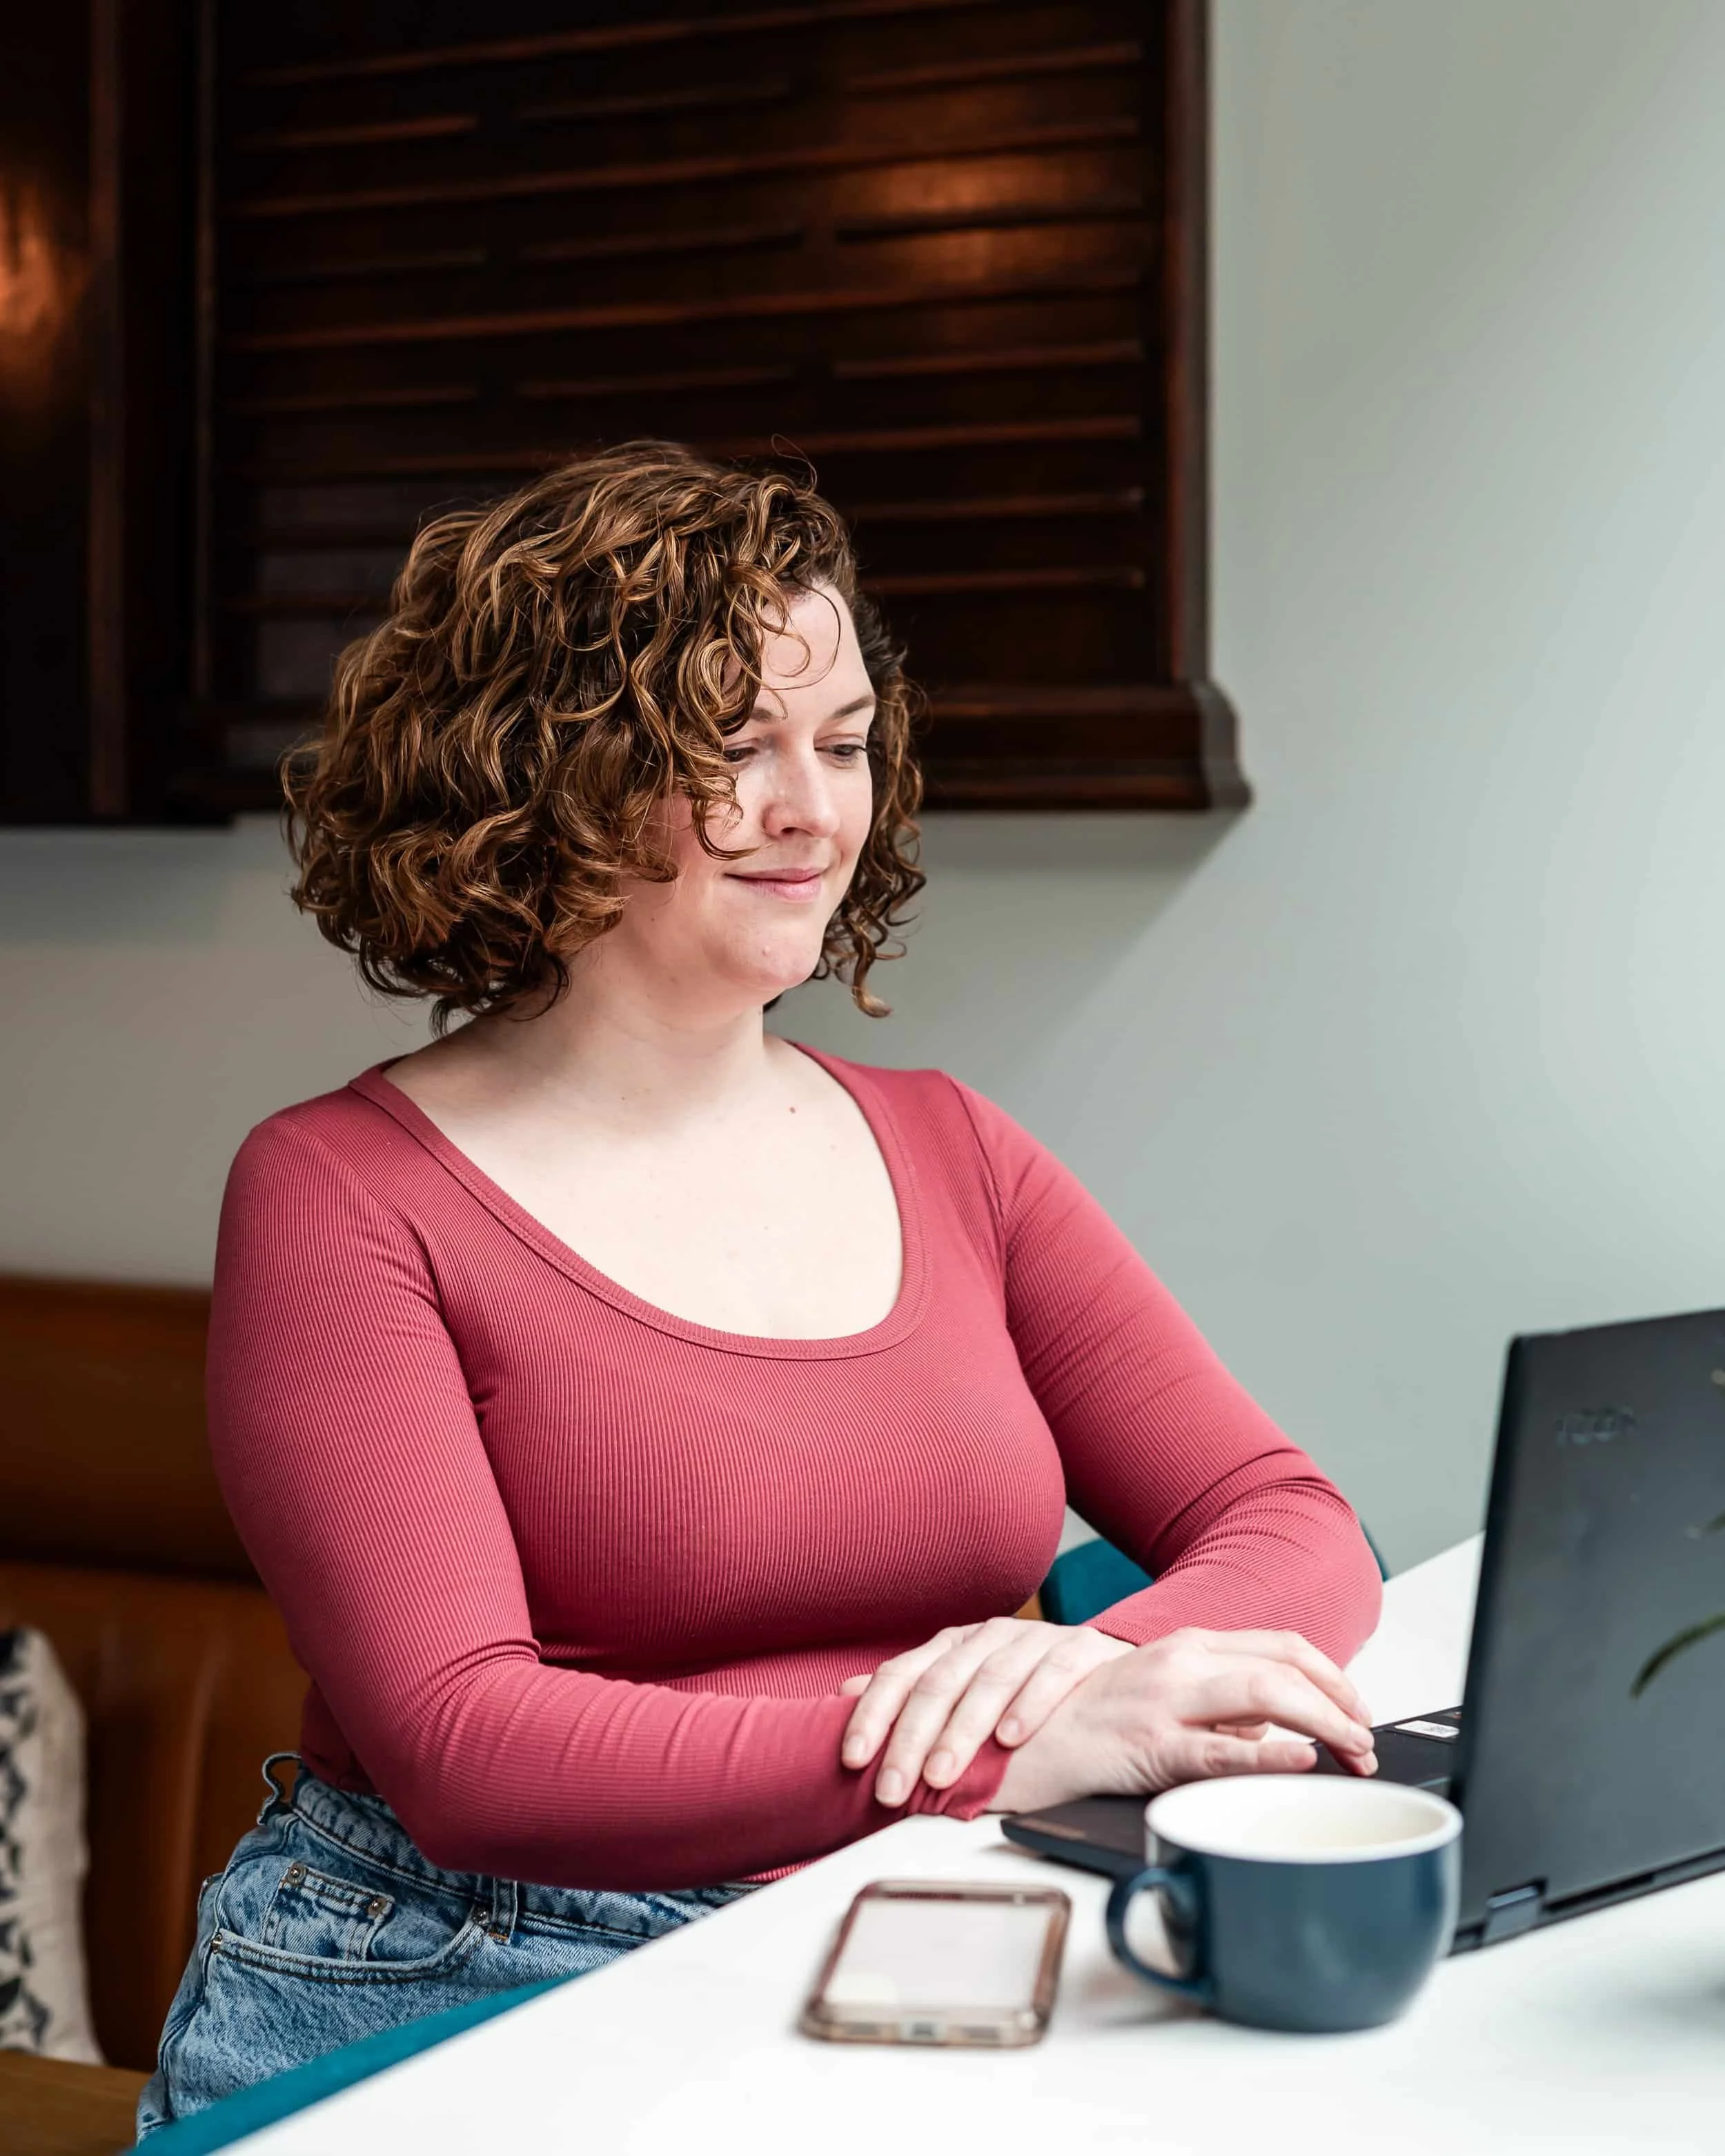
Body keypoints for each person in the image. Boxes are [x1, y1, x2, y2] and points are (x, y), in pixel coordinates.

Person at [138, 442, 1381, 2135]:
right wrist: (1005, 1744)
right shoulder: (340, 1192)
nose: (816, 808)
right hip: (467, 1974)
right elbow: (463, 1740)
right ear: (543, 776)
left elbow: (1289, 1519)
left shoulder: (951, 1145)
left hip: (898, 1923)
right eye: (734, 751)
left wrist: (1096, 1679)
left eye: (846, 742)